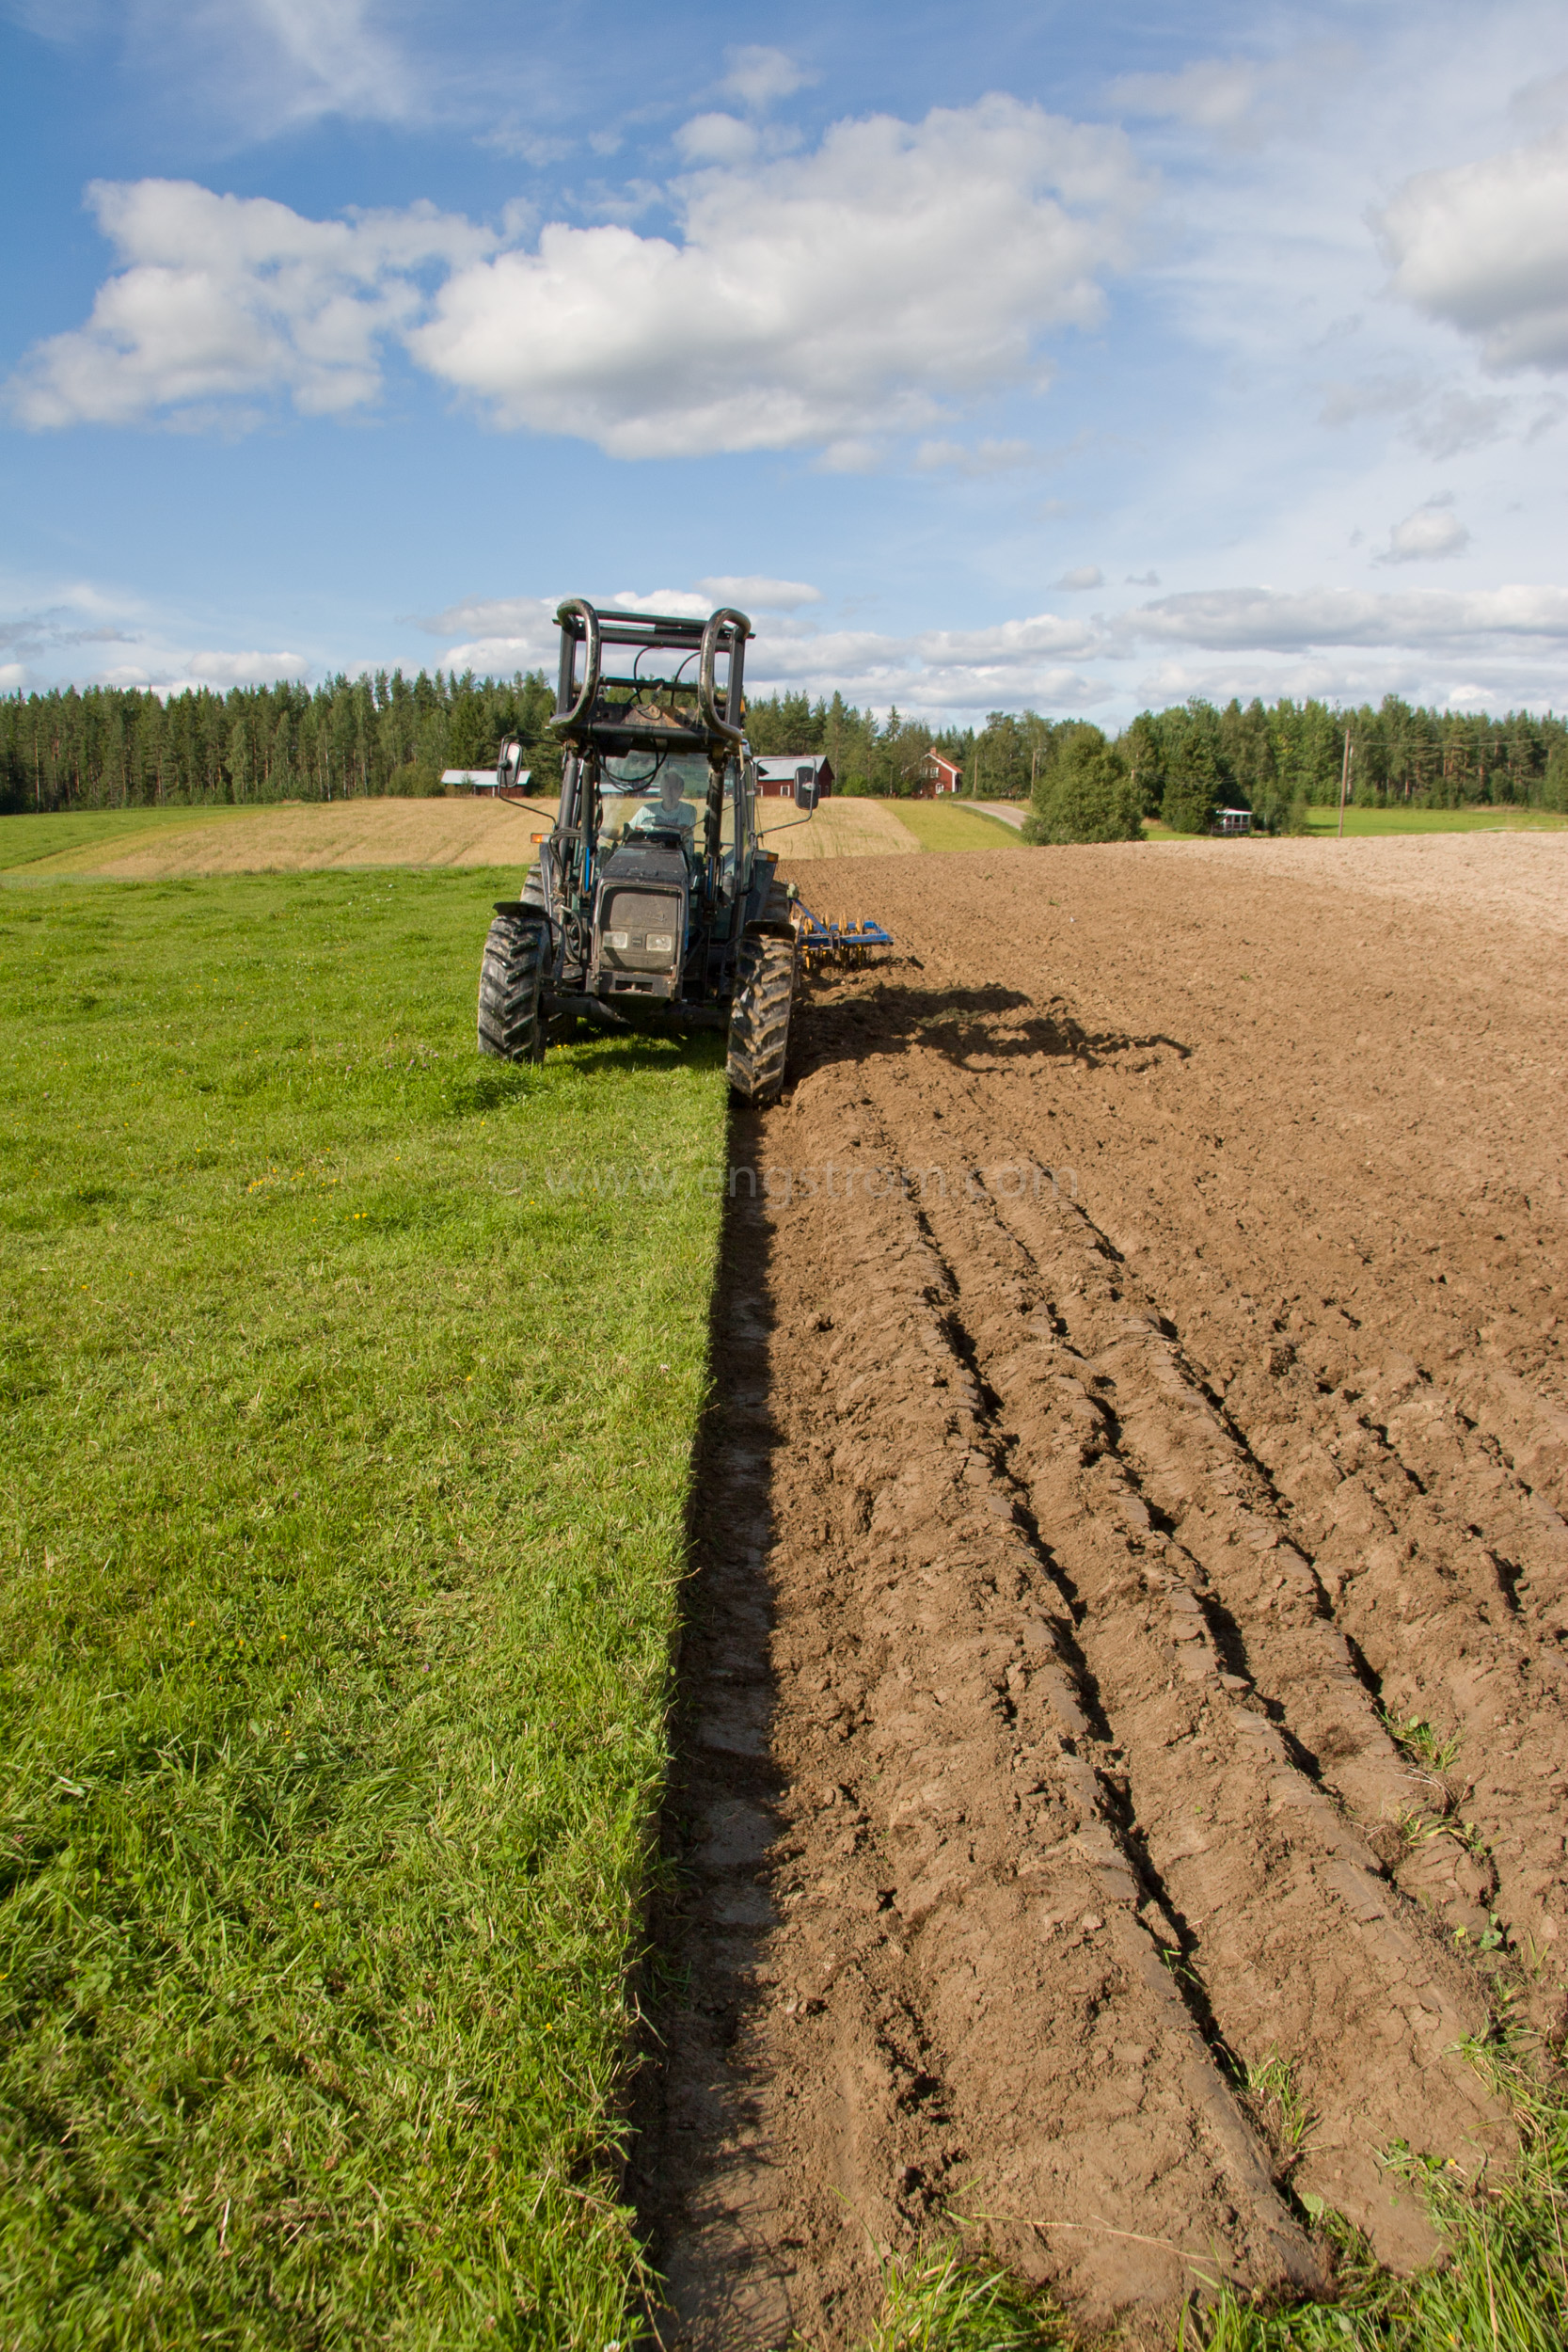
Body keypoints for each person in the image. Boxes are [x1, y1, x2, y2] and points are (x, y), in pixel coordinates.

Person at [626, 766, 697, 847]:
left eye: (673, 787)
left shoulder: (689, 811)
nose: (669, 790)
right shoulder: (646, 810)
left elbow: (687, 835)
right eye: (666, 787)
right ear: (661, 789)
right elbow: (628, 830)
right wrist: (609, 832)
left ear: (681, 789)